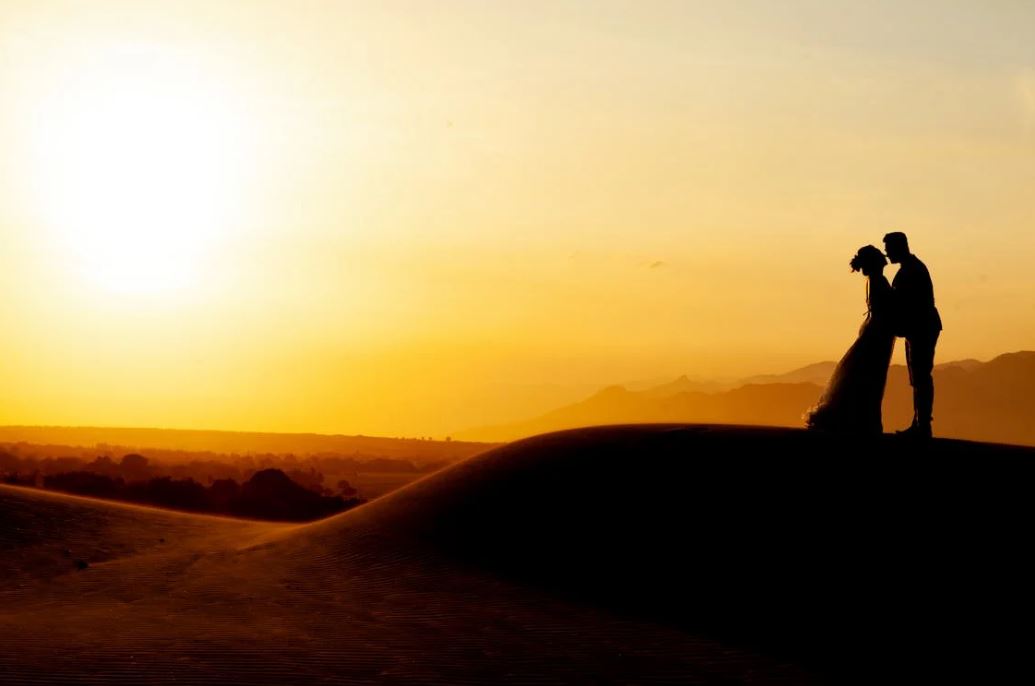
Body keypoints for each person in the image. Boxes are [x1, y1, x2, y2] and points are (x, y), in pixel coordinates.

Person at [805, 246, 896, 435]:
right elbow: (886, 309)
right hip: (877, 335)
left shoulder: (873, 280)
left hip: (874, 331)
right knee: (870, 378)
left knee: (861, 375)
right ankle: (862, 421)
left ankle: (857, 420)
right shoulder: (879, 280)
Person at [883, 231, 942, 439]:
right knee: (917, 376)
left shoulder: (914, 270)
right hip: (916, 328)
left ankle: (923, 425)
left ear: (899, 247)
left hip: (922, 328)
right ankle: (919, 423)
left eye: (888, 248)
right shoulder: (909, 268)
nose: (886, 253)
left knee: (921, 375)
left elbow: (912, 303)